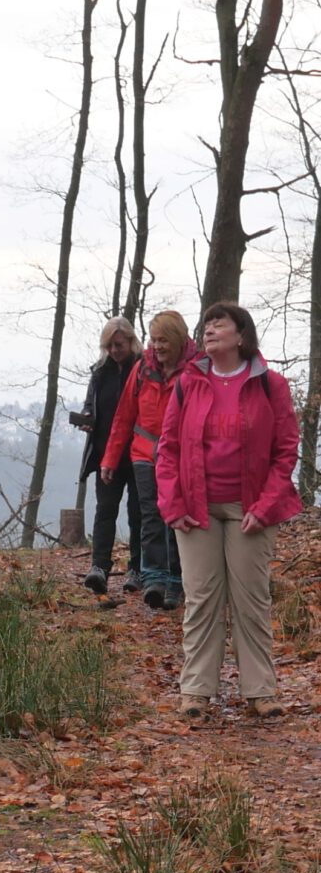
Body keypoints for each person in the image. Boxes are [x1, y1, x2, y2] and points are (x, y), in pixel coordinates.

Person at [157, 302, 301, 720]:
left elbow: (285, 450)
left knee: (251, 600)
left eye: (220, 323)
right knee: (202, 599)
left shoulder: (270, 385)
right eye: (207, 324)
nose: (210, 329)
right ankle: (196, 693)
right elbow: (167, 449)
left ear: (241, 336)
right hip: (195, 508)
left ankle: (261, 692)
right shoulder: (188, 383)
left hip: (251, 508)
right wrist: (173, 502)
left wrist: (267, 505)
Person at [101, 309, 197, 610]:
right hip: (144, 455)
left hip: (180, 458)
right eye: (154, 340)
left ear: (179, 340)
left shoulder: (195, 372)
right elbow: (124, 417)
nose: (157, 346)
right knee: (151, 516)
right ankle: (153, 578)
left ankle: (176, 580)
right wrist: (110, 459)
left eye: (164, 340)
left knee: (176, 518)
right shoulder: (142, 370)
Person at [77, 317, 143, 595]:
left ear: (130, 341)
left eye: (119, 344)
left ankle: (137, 568)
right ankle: (99, 567)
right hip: (106, 454)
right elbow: (91, 405)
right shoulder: (99, 372)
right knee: (105, 511)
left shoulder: (143, 370)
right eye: (109, 345)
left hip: (139, 454)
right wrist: (87, 419)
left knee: (139, 514)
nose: (114, 350)